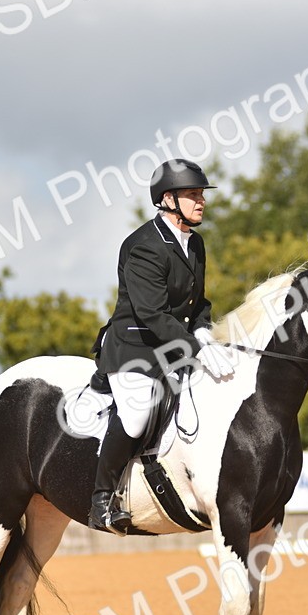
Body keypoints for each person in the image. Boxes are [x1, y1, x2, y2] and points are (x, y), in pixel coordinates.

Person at [88, 159, 235, 533]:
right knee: (137, 414)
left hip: (176, 344)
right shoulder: (143, 246)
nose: (201, 201)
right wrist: (196, 347)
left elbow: (197, 303)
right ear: (168, 199)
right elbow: (152, 313)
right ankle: (102, 498)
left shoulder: (195, 243)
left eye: (201, 195)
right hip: (135, 349)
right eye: (192, 195)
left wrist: (204, 332)